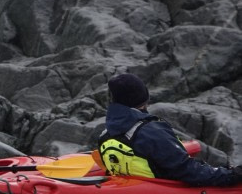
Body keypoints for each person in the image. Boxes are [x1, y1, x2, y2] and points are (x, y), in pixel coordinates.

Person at [98, 73, 242, 186]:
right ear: (144, 98)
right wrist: (232, 175)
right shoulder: (151, 131)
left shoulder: (105, 136)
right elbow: (188, 171)